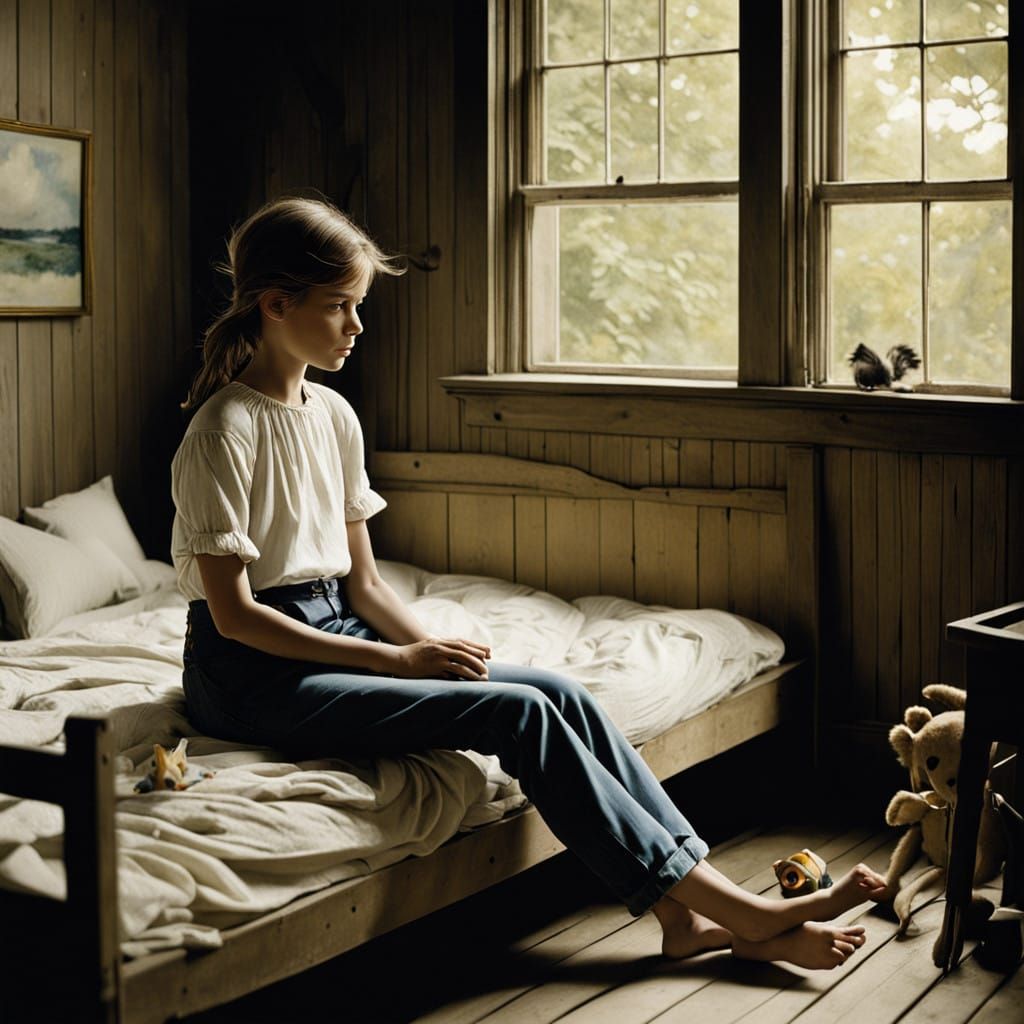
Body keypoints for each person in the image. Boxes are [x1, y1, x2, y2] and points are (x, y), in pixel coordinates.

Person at [171, 195, 887, 971]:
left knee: (561, 693)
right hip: (249, 676)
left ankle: (684, 914)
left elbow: (366, 587)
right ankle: (743, 914)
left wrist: (432, 651)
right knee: (518, 715)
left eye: (359, 306)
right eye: (340, 306)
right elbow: (235, 617)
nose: (357, 326)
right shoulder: (222, 431)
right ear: (276, 304)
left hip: (332, 631)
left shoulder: (334, 415)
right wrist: (397, 663)